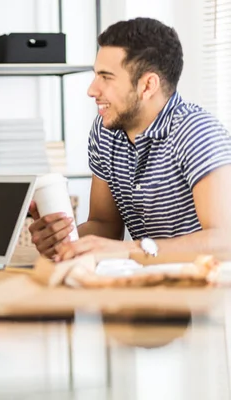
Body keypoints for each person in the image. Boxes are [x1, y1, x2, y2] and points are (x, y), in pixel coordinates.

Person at [29, 17, 231, 261]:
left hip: (207, 291)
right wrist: (65, 241)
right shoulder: (105, 132)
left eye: (106, 77)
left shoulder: (197, 132)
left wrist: (129, 250)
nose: (92, 90)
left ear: (147, 86)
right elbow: (105, 225)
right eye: (96, 75)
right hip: (143, 287)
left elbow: (224, 241)